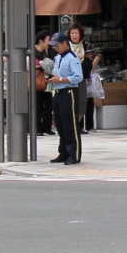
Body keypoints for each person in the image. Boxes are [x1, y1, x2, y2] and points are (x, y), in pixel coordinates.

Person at [46, 32, 83, 165]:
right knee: (60, 124)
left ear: (64, 43)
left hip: (69, 92)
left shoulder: (72, 58)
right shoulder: (58, 58)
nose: (55, 48)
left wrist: (60, 79)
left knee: (70, 124)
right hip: (57, 91)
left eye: (57, 45)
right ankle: (63, 152)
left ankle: (74, 153)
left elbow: (78, 77)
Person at [68, 24, 100, 134]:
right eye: (72, 33)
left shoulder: (86, 45)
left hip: (83, 77)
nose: (74, 35)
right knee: (72, 102)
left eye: (76, 33)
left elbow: (98, 52)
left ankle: (79, 126)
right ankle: (72, 125)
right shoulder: (66, 46)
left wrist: (92, 66)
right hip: (69, 79)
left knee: (82, 101)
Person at [32, 30, 54, 136]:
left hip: (47, 80)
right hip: (37, 80)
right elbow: (28, 66)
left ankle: (47, 127)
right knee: (38, 104)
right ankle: (37, 127)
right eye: (48, 40)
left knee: (49, 104)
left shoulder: (48, 52)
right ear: (41, 41)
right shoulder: (32, 52)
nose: (49, 43)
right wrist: (41, 66)